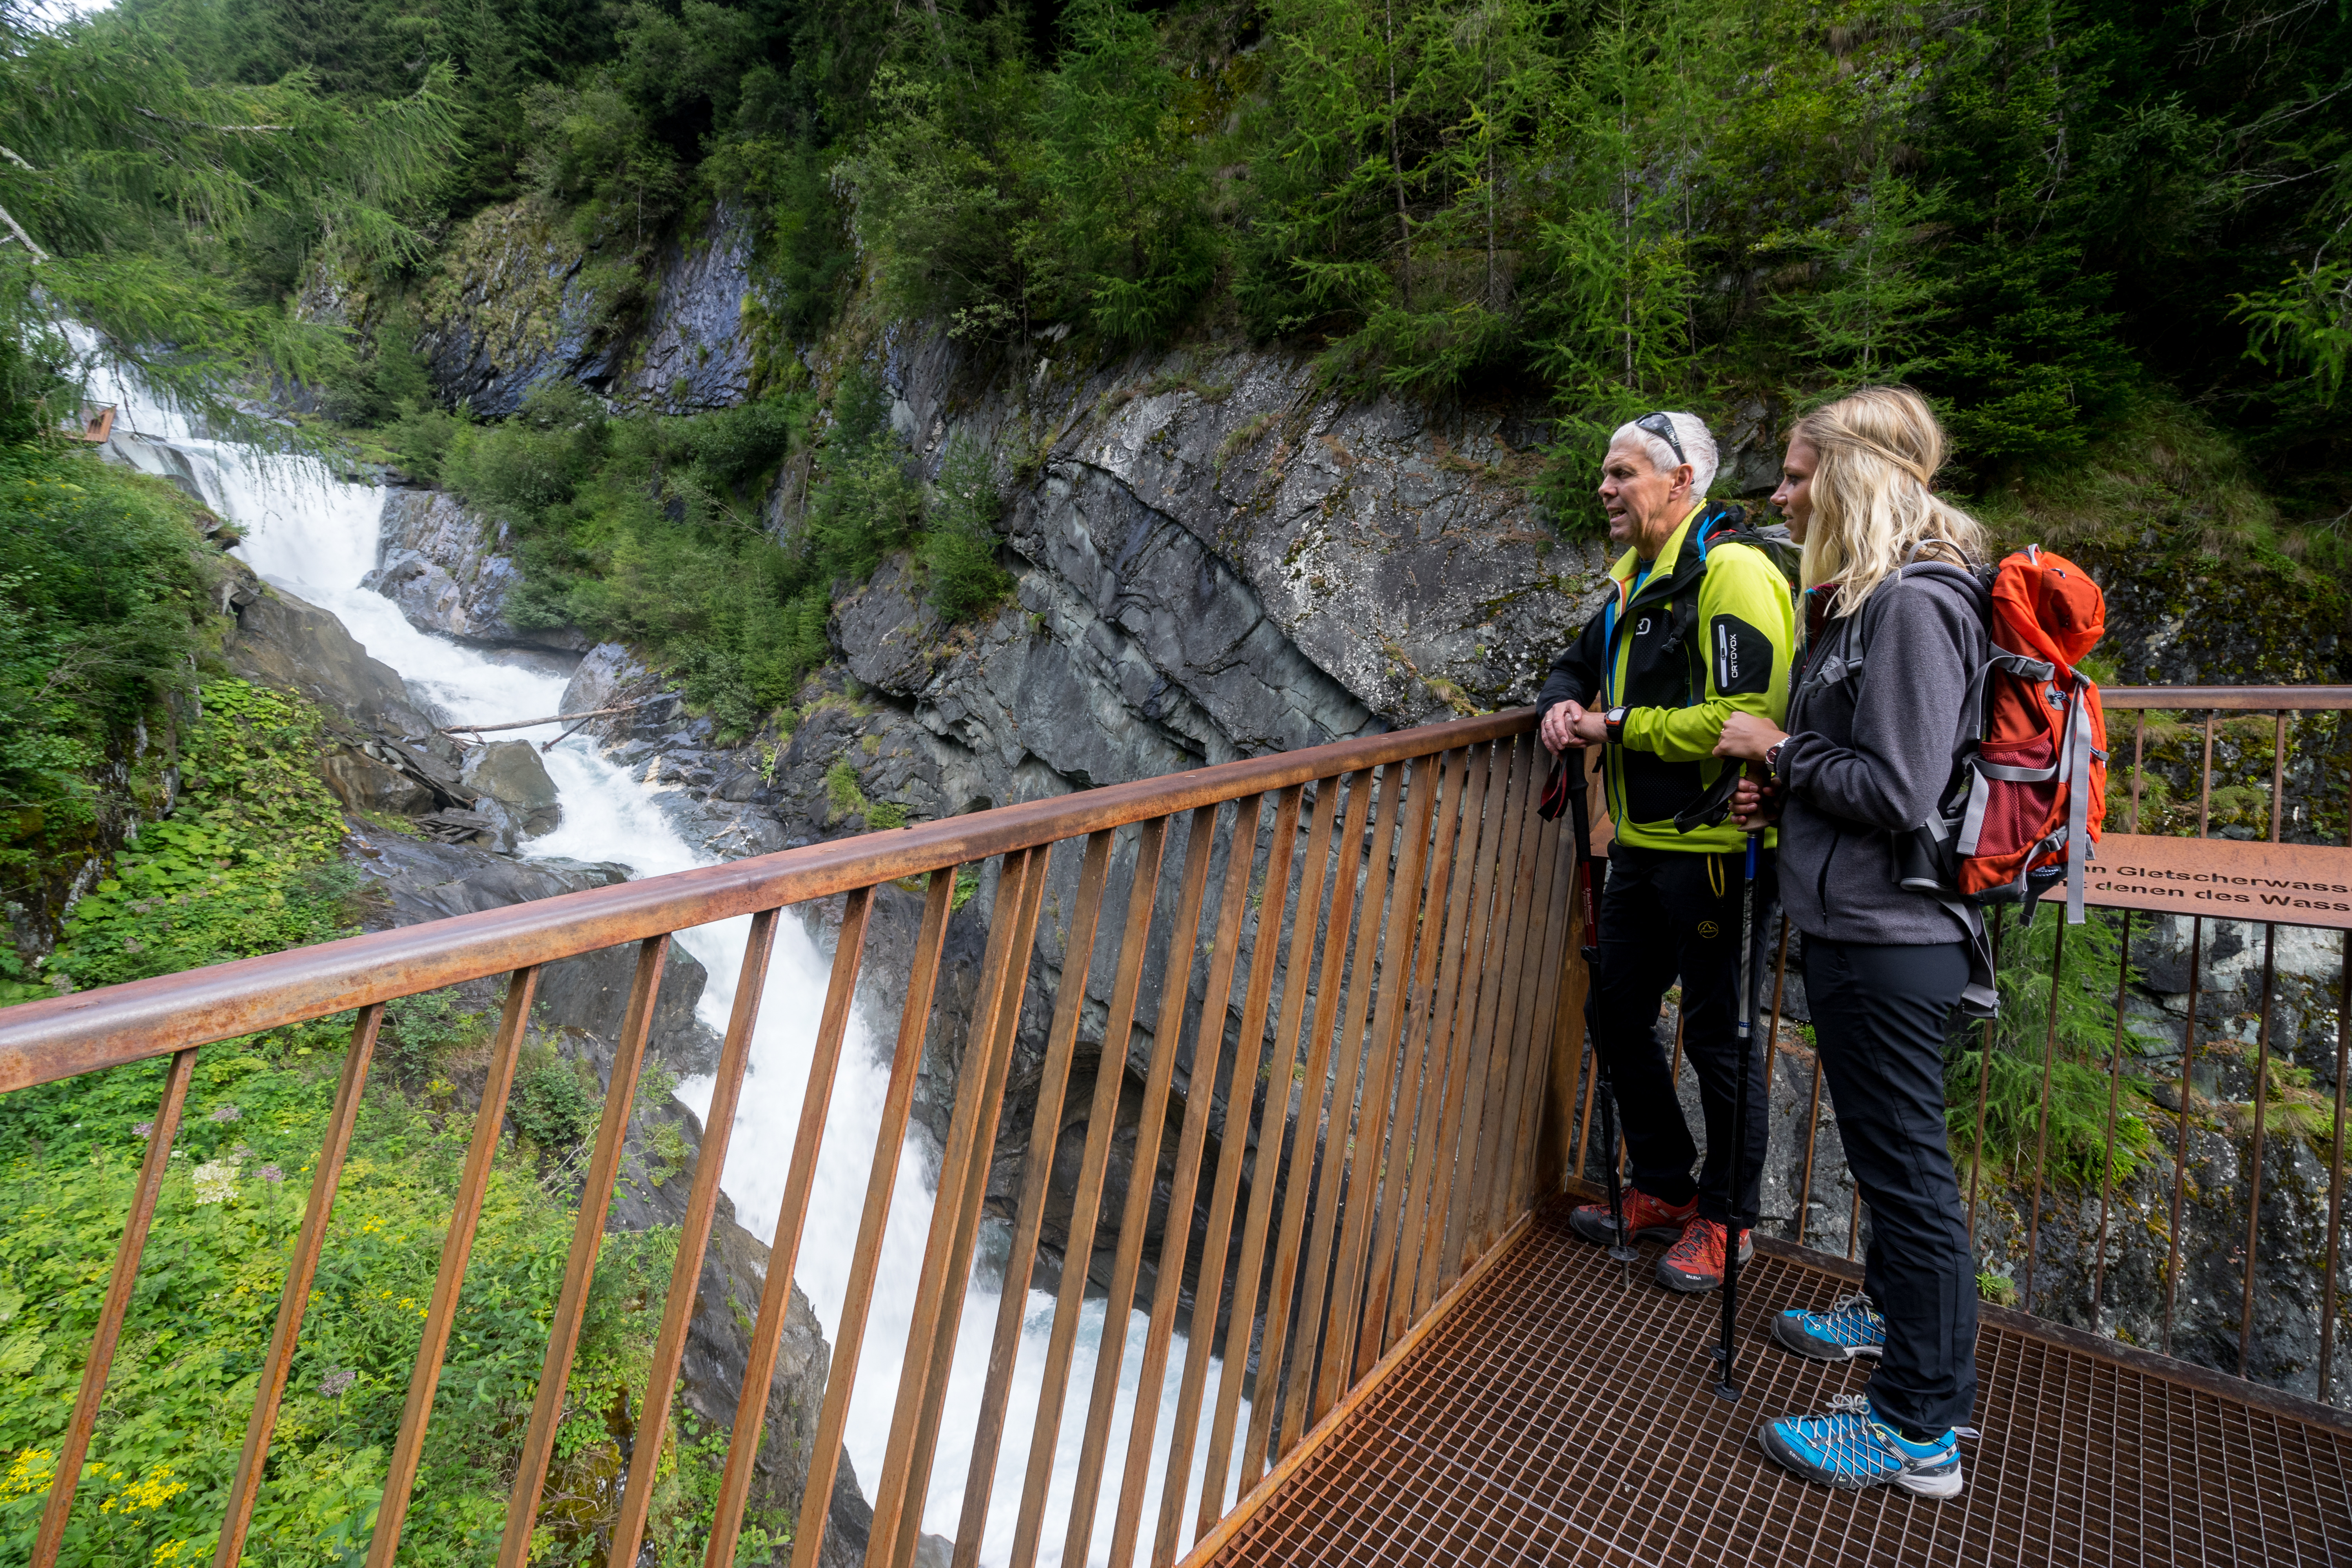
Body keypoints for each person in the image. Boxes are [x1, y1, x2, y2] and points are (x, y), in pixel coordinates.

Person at [1713, 385, 1991, 1499]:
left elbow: (1900, 786)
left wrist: (1779, 755)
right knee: (1890, 1159)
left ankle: (1918, 1433)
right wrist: (1783, 795)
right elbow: (1857, 778)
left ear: (1857, 477)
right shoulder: (1860, 603)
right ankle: (1884, 1316)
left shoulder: (1917, 606)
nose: (1780, 497)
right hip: (1859, 925)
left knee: (1911, 1177)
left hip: (1891, 936)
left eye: (1796, 475)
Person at [1538, 411, 1795, 1294]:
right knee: (1613, 1009)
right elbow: (1575, 663)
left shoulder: (1731, 572)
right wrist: (1559, 706)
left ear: (1680, 481)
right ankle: (1664, 1185)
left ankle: (1728, 1222)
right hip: (1641, 847)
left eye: (1623, 474)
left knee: (1720, 1038)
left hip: (1718, 845)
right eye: (1605, 474)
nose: (1604, 488)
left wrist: (1612, 725)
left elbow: (1742, 718)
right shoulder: (1632, 580)